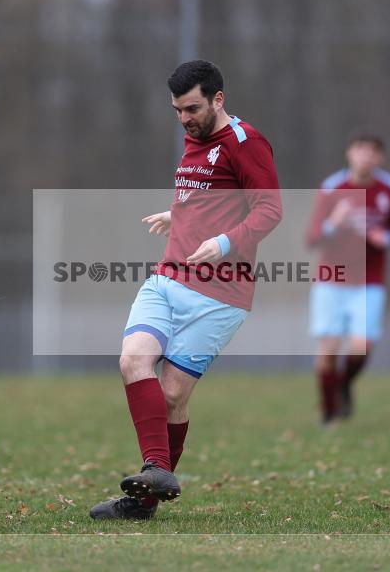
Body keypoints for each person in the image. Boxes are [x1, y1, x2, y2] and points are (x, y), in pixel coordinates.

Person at [90, 60, 282, 520]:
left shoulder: (245, 143)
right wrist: (178, 215)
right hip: (169, 278)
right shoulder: (194, 134)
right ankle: (155, 470)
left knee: (173, 394)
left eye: (192, 108)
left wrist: (223, 241)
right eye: (177, 110)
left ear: (218, 98)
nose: (184, 119)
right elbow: (211, 193)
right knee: (133, 359)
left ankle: (142, 503)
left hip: (221, 295)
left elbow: (269, 209)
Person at [305, 135, 390, 424]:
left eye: (372, 152)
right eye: (360, 150)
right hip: (331, 279)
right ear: (349, 153)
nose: (365, 157)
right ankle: (329, 413)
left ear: (380, 158)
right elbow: (312, 238)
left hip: (369, 279)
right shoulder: (331, 188)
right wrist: (332, 225)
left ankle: (344, 385)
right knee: (328, 350)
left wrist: (384, 237)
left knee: (362, 346)